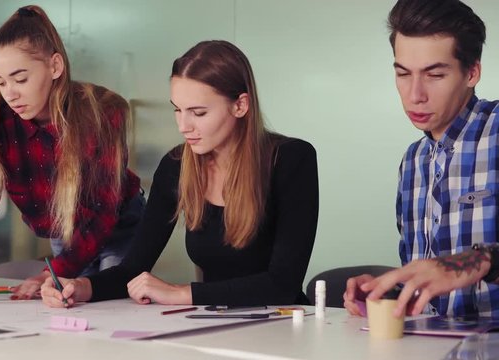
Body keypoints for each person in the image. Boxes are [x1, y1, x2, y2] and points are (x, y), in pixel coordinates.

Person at [40, 40, 319, 307]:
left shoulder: (291, 160)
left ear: (240, 105)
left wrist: (180, 293)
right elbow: (133, 269)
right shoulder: (176, 165)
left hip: (282, 326)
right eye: (178, 110)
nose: (184, 126)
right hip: (213, 323)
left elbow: (282, 284)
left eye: (198, 113)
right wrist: (81, 287)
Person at [0, 5, 144, 302]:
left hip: (119, 225)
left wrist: (52, 271)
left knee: (114, 303)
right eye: (0, 82)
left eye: (20, 79)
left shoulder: (102, 111)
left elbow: (102, 211)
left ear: (55, 66)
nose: (9, 93)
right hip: (63, 233)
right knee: (63, 306)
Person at [344, 0, 499, 318]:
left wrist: (477, 261)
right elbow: (432, 290)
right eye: (403, 74)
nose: (415, 94)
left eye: (434, 75)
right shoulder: (412, 162)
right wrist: (388, 291)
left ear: (472, 72)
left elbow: (451, 270)